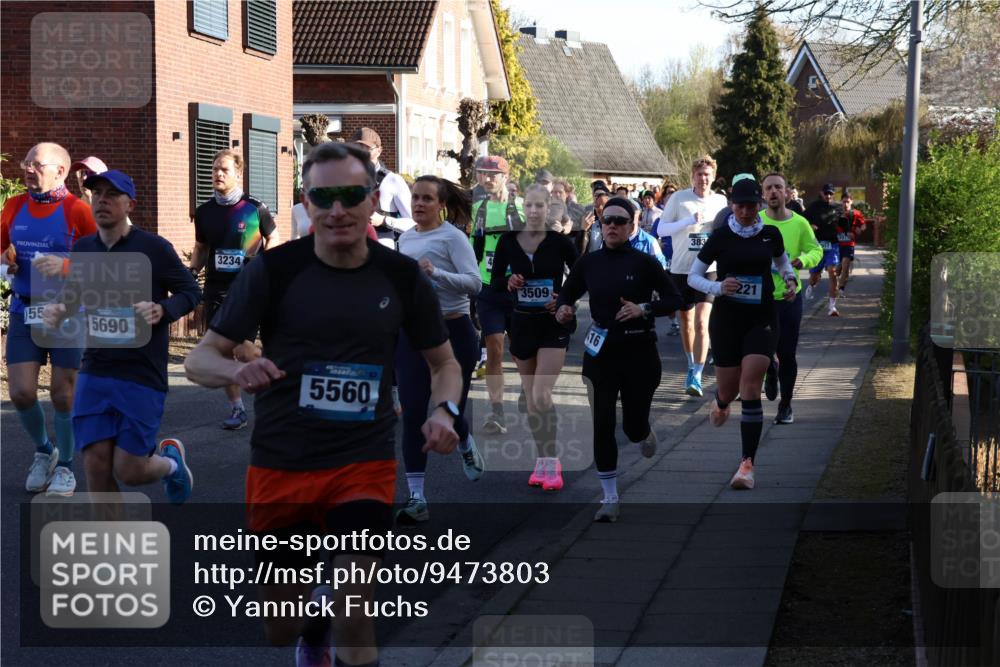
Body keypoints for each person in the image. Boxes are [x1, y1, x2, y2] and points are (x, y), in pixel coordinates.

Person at [183, 141, 462, 666]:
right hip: (283, 459)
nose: (337, 209)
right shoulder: (274, 271)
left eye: (350, 195)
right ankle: (314, 624)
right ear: (306, 202)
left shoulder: (401, 276)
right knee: (278, 627)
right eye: (322, 196)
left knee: (357, 603)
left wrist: (444, 411)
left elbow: (444, 363)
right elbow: (201, 360)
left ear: (373, 199)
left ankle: (337, 622)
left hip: (364, 458)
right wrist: (238, 368)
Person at [42, 170, 200, 501]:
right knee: (96, 464)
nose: (102, 199)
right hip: (96, 368)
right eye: (97, 193)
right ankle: (109, 548)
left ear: (130, 204)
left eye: (112, 194)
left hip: (141, 372)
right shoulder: (84, 248)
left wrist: (163, 310)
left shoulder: (153, 248)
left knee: (130, 470)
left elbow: (190, 291)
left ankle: (171, 466)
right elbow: (75, 294)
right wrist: (60, 309)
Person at [556, 197, 683, 522]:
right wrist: (564, 310)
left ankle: (643, 432)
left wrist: (645, 308)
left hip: (640, 352)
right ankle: (609, 497)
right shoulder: (590, 262)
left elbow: (675, 299)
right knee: (601, 424)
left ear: (631, 226)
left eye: (619, 221)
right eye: (606, 220)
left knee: (632, 426)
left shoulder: (644, 262)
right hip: (600, 353)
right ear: (600, 224)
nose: (612, 226)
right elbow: (568, 294)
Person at [687, 178, 798, 490]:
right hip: (727, 319)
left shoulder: (770, 234)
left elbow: (782, 262)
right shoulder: (720, 236)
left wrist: (789, 279)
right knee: (730, 389)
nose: (747, 211)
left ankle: (746, 465)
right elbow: (694, 277)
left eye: (752, 205)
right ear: (732, 206)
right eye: (741, 205)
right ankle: (721, 401)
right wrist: (718, 287)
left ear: (759, 205)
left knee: (751, 380)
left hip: (762, 316)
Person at [1, 142, 96, 496]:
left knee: (62, 394)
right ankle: (45, 451)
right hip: (26, 308)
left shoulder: (78, 210)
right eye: (26, 161)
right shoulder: (13, 206)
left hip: (69, 311)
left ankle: (67, 468)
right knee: (22, 392)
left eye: (37, 164)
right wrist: (5, 259)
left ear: (61, 171)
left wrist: (66, 266)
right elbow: (0, 247)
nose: (28, 168)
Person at [395, 175, 484, 523]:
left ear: (441, 204)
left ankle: (464, 441)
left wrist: (438, 273)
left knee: (448, 408)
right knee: (414, 411)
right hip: (415, 331)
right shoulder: (404, 238)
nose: (418, 204)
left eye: (427, 199)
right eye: (415, 198)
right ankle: (417, 497)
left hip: (454, 328)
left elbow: (474, 283)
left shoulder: (454, 237)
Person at [492, 185, 578, 492]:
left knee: (542, 394)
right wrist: (509, 281)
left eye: (539, 206)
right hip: (522, 324)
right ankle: (541, 460)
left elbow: (580, 276)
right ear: (522, 207)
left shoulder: (559, 242)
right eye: (528, 205)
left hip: (553, 324)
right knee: (531, 400)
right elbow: (495, 280)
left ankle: (552, 462)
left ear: (548, 207)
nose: (533, 211)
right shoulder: (507, 241)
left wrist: (565, 299)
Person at [190, 149, 280, 430]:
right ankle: (238, 409)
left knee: (243, 350)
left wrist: (263, 266)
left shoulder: (254, 208)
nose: (217, 174)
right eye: (215, 169)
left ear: (238, 174)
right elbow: (202, 247)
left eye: (224, 170)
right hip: (216, 289)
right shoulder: (204, 212)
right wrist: (192, 271)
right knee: (222, 353)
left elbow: (272, 237)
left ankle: (276, 379)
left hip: (248, 289)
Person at [656, 156, 729, 397]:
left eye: (707, 174)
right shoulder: (678, 198)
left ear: (713, 175)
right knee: (686, 323)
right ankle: (690, 365)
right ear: (693, 176)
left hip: (708, 268)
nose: (703, 178)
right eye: (699, 174)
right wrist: (688, 221)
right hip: (681, 268)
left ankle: (697, 373)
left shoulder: (720, 201)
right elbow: (661, 229)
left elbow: (726, 230)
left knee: (701, 322)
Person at [759, 173, 822, 425]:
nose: (774, 191)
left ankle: (785, 405)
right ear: (763, 194)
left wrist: (802, 261)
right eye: (769, 188)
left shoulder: (799, 223)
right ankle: (769, 370)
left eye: (778, 187)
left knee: (787, 353)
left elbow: (816, 249)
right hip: (760, 299)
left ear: (786, 192)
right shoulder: (756, 222)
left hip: (788, 297)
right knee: (760, 351)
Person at [469, 155, 524, 434]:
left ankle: (528, 388)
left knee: (521, 351)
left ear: (505, 176)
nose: (487, 179)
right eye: (482, 174)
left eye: (492, 174)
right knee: (494, 349)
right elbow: (471, 247)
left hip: (517, 288)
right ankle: (496, 411)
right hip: (489, 288)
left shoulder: (520, 208)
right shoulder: (477, 208)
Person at [351, 127, 415, 248]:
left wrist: (383, 221)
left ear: (379, 150)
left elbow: (415, 223)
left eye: (367, 149)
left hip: (381, 250)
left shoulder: (392, 180)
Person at [803, 183, 842, 315]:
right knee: (814, 276)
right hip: (817, 245)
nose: (828, 196)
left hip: (833, 245)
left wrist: (846, 231)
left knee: (833, 272)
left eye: (831, 193)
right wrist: (810, 226)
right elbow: (801, 220)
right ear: (821, 193)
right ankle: (812, 285)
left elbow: (844, 224)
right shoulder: (814, 206)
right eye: (826, 193)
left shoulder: (838, 207)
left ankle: (832, 307)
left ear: (834, 194)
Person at [836, 192, 866, 295]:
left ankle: (841, 288)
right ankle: (837, 282)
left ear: (851, 202)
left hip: (849, 245)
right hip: (837, 245)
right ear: (841, 202)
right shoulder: (836, 213)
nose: (846, 204)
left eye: (848, 202)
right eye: (844, 201)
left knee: (845, 264)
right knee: (838, 269)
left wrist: (860, 230)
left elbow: (863, 225)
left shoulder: (856, 213)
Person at [584, 181, 611, 254]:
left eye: (600, 195)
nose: (597, 198)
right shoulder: (588, 214)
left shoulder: (614, 217)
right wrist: (584, 231)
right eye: (595, 195)